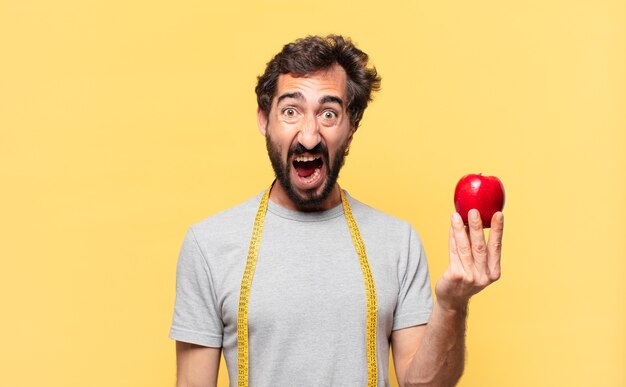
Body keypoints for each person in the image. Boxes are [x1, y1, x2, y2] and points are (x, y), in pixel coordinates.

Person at [169, 34, 504, 387]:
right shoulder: (209, 245)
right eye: (290, 111)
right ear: (264, 120)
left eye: (329, 113)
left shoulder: (397, 242)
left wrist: (452, 305)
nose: (310, 136)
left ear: (351, 129)